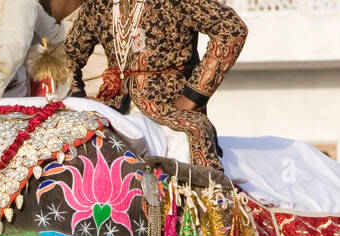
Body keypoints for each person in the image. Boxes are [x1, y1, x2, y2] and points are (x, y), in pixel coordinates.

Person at [64, 0, 246, 169]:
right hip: (116, 107)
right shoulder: (99, 4)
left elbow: (231, 29)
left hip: (170, 110)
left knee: (190, 143)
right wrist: (79, 97)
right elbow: (68, 55)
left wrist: (193, 96)